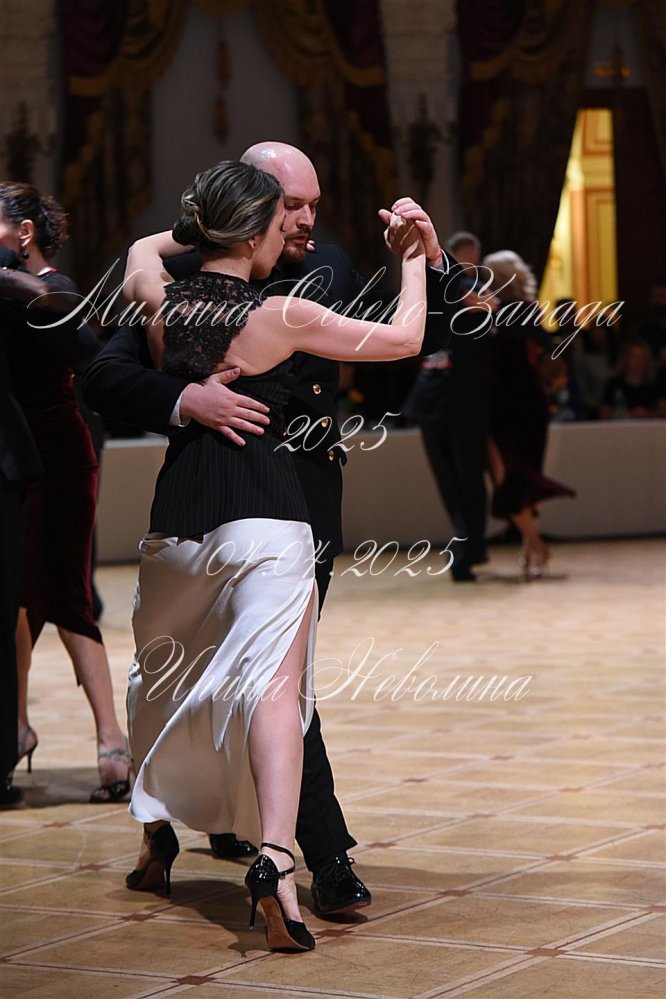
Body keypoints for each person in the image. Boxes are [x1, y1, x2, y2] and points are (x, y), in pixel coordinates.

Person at [82, 141, 461, 915]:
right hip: (235, 502)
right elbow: (104, 375)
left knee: (245, 679)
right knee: (247, 682)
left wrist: (430, 261)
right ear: (254, 212)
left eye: (314, 205)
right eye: (289, 206)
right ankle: (284, 854)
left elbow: (425, 343)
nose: (305, 221)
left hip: (285, 494)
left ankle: (306, 850)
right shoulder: (250, 299)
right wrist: (186, 400)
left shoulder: (292, 272)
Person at [0, 183, 131, 803]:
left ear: (23, 232)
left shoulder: (55, 287)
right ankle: (16, 729)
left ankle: (112, 740)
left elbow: (82, 344)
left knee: (67, 595)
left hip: (60, 455)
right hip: (14, 460)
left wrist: (11, 282)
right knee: (17, 602)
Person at [482, 250, 575, 578]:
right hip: (511, 402)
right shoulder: (501, 310)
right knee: (512, 475)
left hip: (518, 403)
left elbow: (546, 343)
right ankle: (533, 545)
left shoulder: (513, 310)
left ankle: (534, 544)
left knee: (515, 475)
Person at [404, 231, 491, 581]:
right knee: (452, 481)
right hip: (432, 401)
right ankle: (467, 545)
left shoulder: (478, 292)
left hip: (463, 401)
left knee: (466, 479)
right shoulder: (433, 289)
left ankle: (469, 548)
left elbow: (488, 309)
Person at [600, 337, 666, 419]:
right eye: (633, 357)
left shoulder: (655, 385)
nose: (637, 361)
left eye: (641, 357)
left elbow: (663, 410)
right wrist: (628, 414)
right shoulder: (614, 384)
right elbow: (604, 413)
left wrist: (647, 414)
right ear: (626, 358)